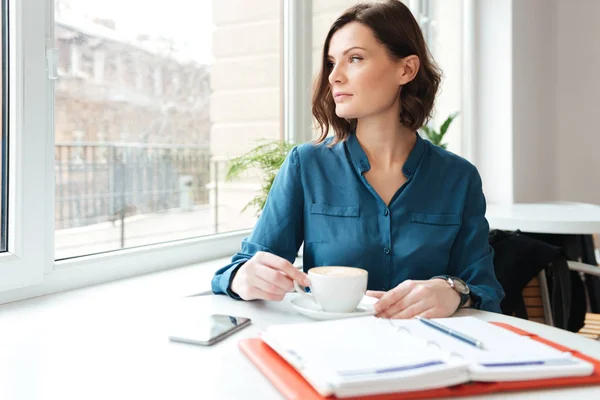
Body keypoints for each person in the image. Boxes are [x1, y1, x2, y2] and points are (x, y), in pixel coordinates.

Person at [212, 0, 504, 318]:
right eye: (331, 63)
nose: (334, 77)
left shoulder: (459, 178)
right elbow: (241, 268)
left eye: (354, 59)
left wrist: (454, 292)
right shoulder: (305, 166)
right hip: (331, 353)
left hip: (433, 352)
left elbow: (484, 289)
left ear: (406, 69)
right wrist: (243, 278)